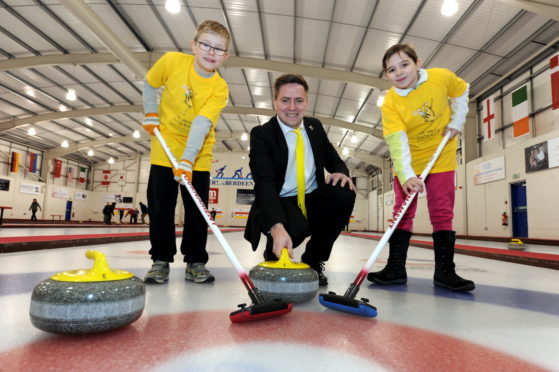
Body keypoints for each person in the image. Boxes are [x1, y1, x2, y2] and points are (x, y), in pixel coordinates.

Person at [367, 43, 474, 292]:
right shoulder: (391, 102)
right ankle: (395, 269)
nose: (400, 72)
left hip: (441, 156)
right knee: (402, 213)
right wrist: (405, 175)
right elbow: (397, 141)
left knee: (442, 212)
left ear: (418, 63)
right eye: (392, 69)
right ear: (386, 75)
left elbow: (462, 90)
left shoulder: (440, 77)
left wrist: (457, 121)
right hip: (408, 160)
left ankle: (445, 272)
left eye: (404, 64)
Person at [244, 74, 356, 287]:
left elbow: (335, 161)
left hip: (313, 197)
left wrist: (341, 173)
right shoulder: (262, 134)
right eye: (285, 100)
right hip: (281, 201)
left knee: (344, 191)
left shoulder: (314, 127)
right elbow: (264, 182)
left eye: (299, 100)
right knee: (292, 232)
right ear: (275, 102)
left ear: (307, 101)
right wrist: (277, 227)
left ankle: (314, 259)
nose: (292, 107)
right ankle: (274, 250)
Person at [141, 20, 230, 284]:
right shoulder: (172, 62)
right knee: (160, 207)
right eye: (206, 45)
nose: (211, 52)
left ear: (225, 56)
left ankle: (195, 261)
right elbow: (149, 83)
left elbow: (202, 123)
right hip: (165, 144)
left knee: (197, 210)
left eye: (218, 49)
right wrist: (150, 112)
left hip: (199, 152)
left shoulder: (219, 88)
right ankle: (160, 260)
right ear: (194, 45)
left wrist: (188, 161)